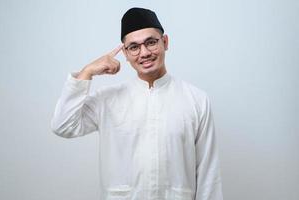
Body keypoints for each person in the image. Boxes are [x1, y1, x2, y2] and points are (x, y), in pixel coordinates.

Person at [51, 7, 223, 200]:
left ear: (165, 42)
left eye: (151, 42)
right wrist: (88, 71)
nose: (144, 53)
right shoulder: (108, 100)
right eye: (134, 47)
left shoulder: (196, 100)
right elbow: (63, 125)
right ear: (125, 52)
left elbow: (209, 173)